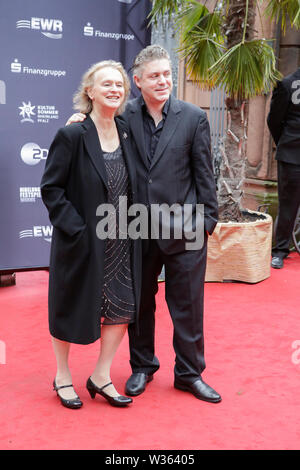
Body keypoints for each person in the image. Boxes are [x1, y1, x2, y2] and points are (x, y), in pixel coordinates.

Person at [67, 45, 221, 403]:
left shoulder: (193, 117)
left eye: (167, 74)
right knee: (139, 303)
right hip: (136, 229)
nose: (163, 81)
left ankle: (189, 373)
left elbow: (205, 175)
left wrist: (207, 222)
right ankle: (142, 367)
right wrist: (78, 121)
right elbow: (95, 127)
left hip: (186, 228)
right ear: (137, 81)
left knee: (188, 304)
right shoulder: (123, 115)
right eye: (154, 76)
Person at [41, 60, 142, 409]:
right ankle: (62, 375)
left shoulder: (128, 131)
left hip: (121, 239)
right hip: (82, 239)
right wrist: (77, 231)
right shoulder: (72, 134)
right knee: (68, 305)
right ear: (90, 91)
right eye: (106, 84)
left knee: (122, 307)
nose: (114, 89)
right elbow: (51, 189)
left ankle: (100, 376)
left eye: (119, 84)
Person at [267, 67, 300, 269]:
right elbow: (274, 120)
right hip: (292, 155)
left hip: (290, 151)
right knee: (288, 205)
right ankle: (279, 251)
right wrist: (285, 144)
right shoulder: (286, 84)